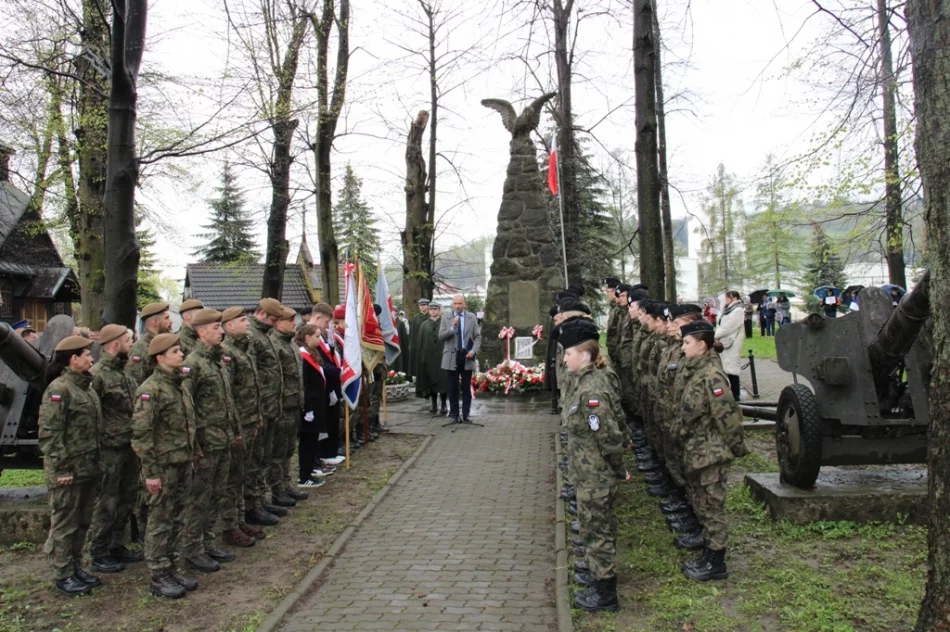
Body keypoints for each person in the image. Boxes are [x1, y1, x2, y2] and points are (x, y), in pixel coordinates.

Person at [560, 318, 626, 613]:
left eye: (568, 353)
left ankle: (605, 595)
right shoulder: (582, 382)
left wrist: (617, 467)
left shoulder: (591, 391)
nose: (564, 358)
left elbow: (610, 437)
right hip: (588, 474)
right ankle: (599, 578)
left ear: (584, 355)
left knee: (596, 532)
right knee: (594, 528)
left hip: (596, 476)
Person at [674, 320, 747, 581]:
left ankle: (716, 562)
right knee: (703, 504)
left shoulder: (712, 376)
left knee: (713, 507)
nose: (682, 348)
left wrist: (737, 447)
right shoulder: (696, 371)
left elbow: (728, 417)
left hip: (711, 453)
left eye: (686, 343)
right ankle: (708, 553)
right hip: (698, 451)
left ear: (702, 345)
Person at [131, 333, 200, 599]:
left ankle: (171, 566)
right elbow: (141, 434)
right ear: (160, 358)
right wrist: (150, 472)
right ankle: (159, 574)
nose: (181, 354)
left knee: (178, 517)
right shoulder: (151, 389)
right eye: (175, 352)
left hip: (182, 461)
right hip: (163, 466)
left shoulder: (178, 383)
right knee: (160, 520)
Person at [182, 309, 250, 572]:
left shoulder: (217, 361)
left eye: (221, 327)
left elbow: (228, 401)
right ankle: (192, 549)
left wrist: (234, 430)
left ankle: (208, 543)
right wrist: (194, 445)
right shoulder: (193, 364)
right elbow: (187, 407)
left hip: (223, 440)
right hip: (206, 444)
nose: (221, 331)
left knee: (216, 495)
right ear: (201, 332)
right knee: (199, 498)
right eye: (215, 328)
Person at [38, 335, 102, 596]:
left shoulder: (85, 388)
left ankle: (76, 566)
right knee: (64, 523)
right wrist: (62, 469)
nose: (91, 358)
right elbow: (50, 434)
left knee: (83, 521)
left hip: (86, 468)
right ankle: (62, 574)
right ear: (73, 359)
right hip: (68, 472)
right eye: (87, 354)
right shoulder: (59, 389)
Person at [88, 324, 143, 574]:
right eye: (128, 339)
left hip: (129, 445)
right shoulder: (97, 375)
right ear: (114, 344)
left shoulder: (125, 373)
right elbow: (91, 415)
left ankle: (117, 543)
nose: (131, 343)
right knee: (107, 501)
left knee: (127, 496)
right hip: (109, 449)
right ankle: (99, 550)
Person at [220, 306, 273, 535]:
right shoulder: (228, 352)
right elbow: (229, 393)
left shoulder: (244, 348)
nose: (247, 323)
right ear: (229, 326)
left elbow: (253, 387)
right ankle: (231, 524)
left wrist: (258, 415)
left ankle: (242, 516)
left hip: (251, 418)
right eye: (242, 320)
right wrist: (236, 425)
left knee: (246, 471)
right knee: (235, 477)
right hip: (238, 422)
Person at [246, 298, 293, 513]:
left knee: (265, 457)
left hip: (271, 407)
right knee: (256, 461)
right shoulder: (252, 337)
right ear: (263, 314)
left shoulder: (263, 335)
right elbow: (251, 377)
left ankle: (263, 499)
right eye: (273, 319)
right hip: (260, 409)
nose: (275, 324)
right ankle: (254, 505)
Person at [270, 308, 309, 501]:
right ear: (277, 322)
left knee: (288, 449)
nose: (295, 323)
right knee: (278, 451)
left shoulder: (290, 343)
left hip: (294, 403)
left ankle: (286, 484)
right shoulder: (275, 344)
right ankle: (277, 490)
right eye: (290, 320)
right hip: (282, 405)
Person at [308, 303, 346, 466]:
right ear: (317, 318)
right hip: (318, 386)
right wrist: (338, 371)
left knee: (331, 420)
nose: (328, 326)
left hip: (329, 384)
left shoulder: (322, 334)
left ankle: (330, 451)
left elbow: (329, 356)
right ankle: (320, 456)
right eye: (326, 322)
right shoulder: (307, 335)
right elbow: (318, 361)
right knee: (319, 426)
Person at [296, 324, 330, 488]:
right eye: (316, 336)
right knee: (307, 441)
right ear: (307, 337)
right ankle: (304, 476)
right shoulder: (303, 356)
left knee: (312, 440)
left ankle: (309, 472)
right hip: (310, 406)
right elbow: (305, 384)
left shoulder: (311, 353)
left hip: (317, 404)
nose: (319, 339)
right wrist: (307, 408)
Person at [439, 295, 481, 423]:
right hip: (451, 356)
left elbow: (478, 337)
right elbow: (441, 336)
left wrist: (473, 351)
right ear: (452, 304)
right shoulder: (446, 318)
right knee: (452, 387)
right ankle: (455, 414)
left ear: (464, 304)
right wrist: (452, 328)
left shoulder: (471, 317)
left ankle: (466, 414)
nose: (457, 306)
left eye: (460, 303)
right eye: (455, 303)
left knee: (466, 387)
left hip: (466, 356)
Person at [127, 302, 173, 386]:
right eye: (166, 318)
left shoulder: (165, 345)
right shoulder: (140, 348)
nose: (171, 321)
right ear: (155, 322)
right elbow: (135, 382)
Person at [417, 302, 448, 414]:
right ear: (429, 311)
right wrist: (421, 358)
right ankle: (434, 404)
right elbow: (420, 344)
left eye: (436, 309)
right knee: (431, 381)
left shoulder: (444, 323)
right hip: (428, 358)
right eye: (431, 309)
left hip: (442, 357)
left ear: (439, 310)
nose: (433, 311)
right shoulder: (424, 325)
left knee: (443, 381)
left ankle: (444, 404)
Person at [715, 290, 745, 401]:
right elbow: (721, 323)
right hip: (725, 341)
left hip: (732, 341)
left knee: (732, 368)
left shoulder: (738, 310)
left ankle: (736, 395)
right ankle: (729, 392)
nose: (726, 301)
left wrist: (716, 335)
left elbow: (729, 327)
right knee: (726, 367)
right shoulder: (728, 309)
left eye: (727, 298)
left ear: (733, 297)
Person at [409, 298, 430, 388]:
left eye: (424, 305)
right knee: (418, 364)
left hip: (428, 345)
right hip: (417, 345)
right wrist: (412, 345)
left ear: (428, 306)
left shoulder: (430, 317)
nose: (422, 307)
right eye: (421, 305)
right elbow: (412, 333)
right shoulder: (416, 318)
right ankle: (419, 381)